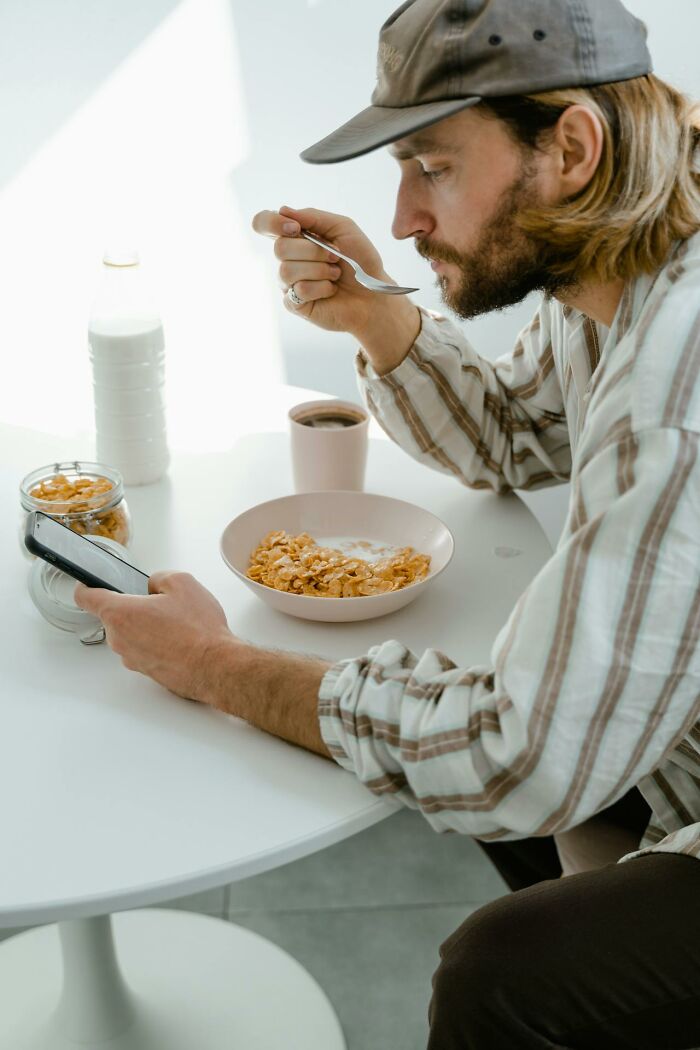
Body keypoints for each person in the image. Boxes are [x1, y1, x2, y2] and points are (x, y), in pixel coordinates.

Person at [75, 0, 700, 1045]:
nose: (405, 217)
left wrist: (214, 665)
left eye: (432, 168)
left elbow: (516, 759)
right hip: (671, 740)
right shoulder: (617, 259)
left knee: (503, 976)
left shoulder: (676, 395)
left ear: (571, 148)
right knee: (453, 725)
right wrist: (377, 314)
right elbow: (517, 435)